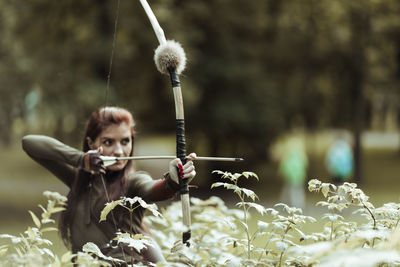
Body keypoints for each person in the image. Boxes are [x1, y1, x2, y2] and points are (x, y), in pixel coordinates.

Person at [22, 106, 196, 265]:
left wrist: (173, 181)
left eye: (125, 141)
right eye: (108, 142)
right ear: (91, 144)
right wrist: (80, 159)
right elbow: (30, 143)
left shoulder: (133, 182)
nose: (119, 151)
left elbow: (154, 190)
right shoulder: (78, 180)